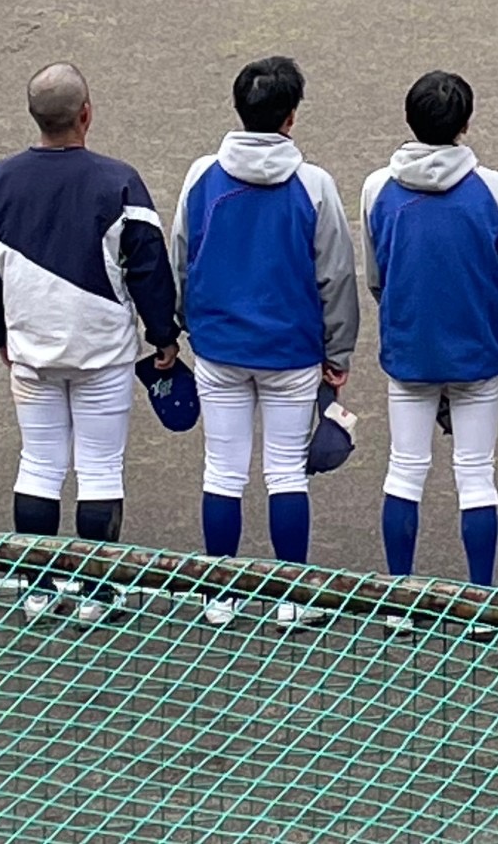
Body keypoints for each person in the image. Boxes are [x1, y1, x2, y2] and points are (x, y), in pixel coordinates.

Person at [0, 63, 179, 578]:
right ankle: (95, 593)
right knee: (100, 468)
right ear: (86, 114)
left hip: (30, 351)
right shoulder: (119, 181)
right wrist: (162, 335)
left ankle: (36, 589)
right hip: (101, 352)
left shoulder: (1, 180)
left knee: (39, 463)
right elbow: (148, 265)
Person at [172, 56, 359, 599]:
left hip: (219, 349)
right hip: (291, 353)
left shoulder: (201, 176)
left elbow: (181, 256)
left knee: (222, 472)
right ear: (291, 116)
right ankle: (292, 601)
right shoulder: (314, 185)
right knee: (286, 473)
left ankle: (218, 597)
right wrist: (338, 352)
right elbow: (336, 275)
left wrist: (188, 324)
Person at [362, 70, 498, 586]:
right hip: (477, 352)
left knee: (404, 470)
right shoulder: (497, 189)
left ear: (408, 119)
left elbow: (377, 275)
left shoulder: (377, 188)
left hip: (409, 351)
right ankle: (481, 599)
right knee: (477, 476)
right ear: (466, 123)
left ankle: (398, 601)